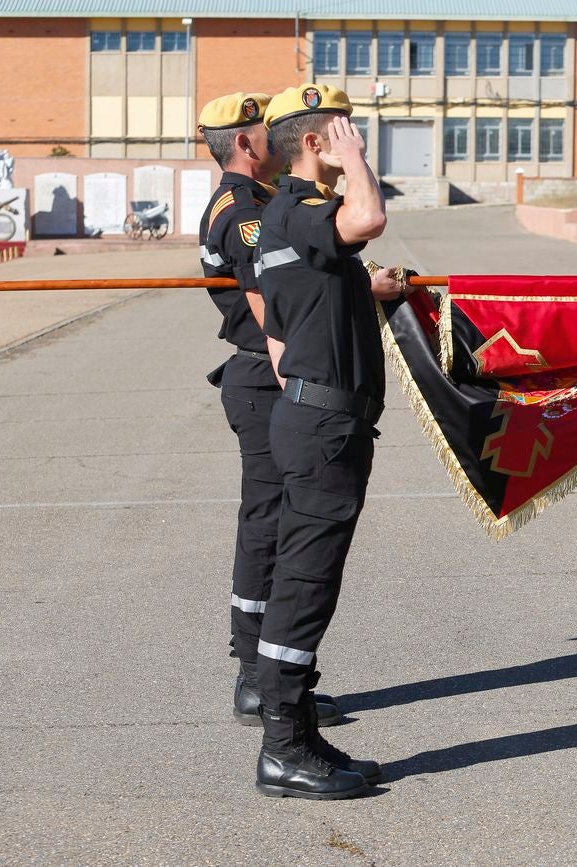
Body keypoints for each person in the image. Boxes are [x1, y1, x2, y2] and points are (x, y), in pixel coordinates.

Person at [253, 84, 414, 799]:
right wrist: (355, 167)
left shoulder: (286, 221)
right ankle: (282, 747)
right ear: (315, 143)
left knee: (307, 579)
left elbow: (296, 323)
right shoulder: (305, 209)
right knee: (306, 582)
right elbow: (369, 216)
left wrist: (365, 291)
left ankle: (301, 730)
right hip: (323, 426)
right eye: (345, 132)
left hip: (314, 417)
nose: (357, 142)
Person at [196, 91, 346, 731]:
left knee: (271, 521)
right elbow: (269, 304)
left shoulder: (253, 201)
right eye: (264, 130)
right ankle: (257, 677)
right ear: (246, 142)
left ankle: (262, 675)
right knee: (270, 525)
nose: (273, 139)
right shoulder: (244, 211)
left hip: (263, 378)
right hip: (268, 378)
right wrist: (297, 379)